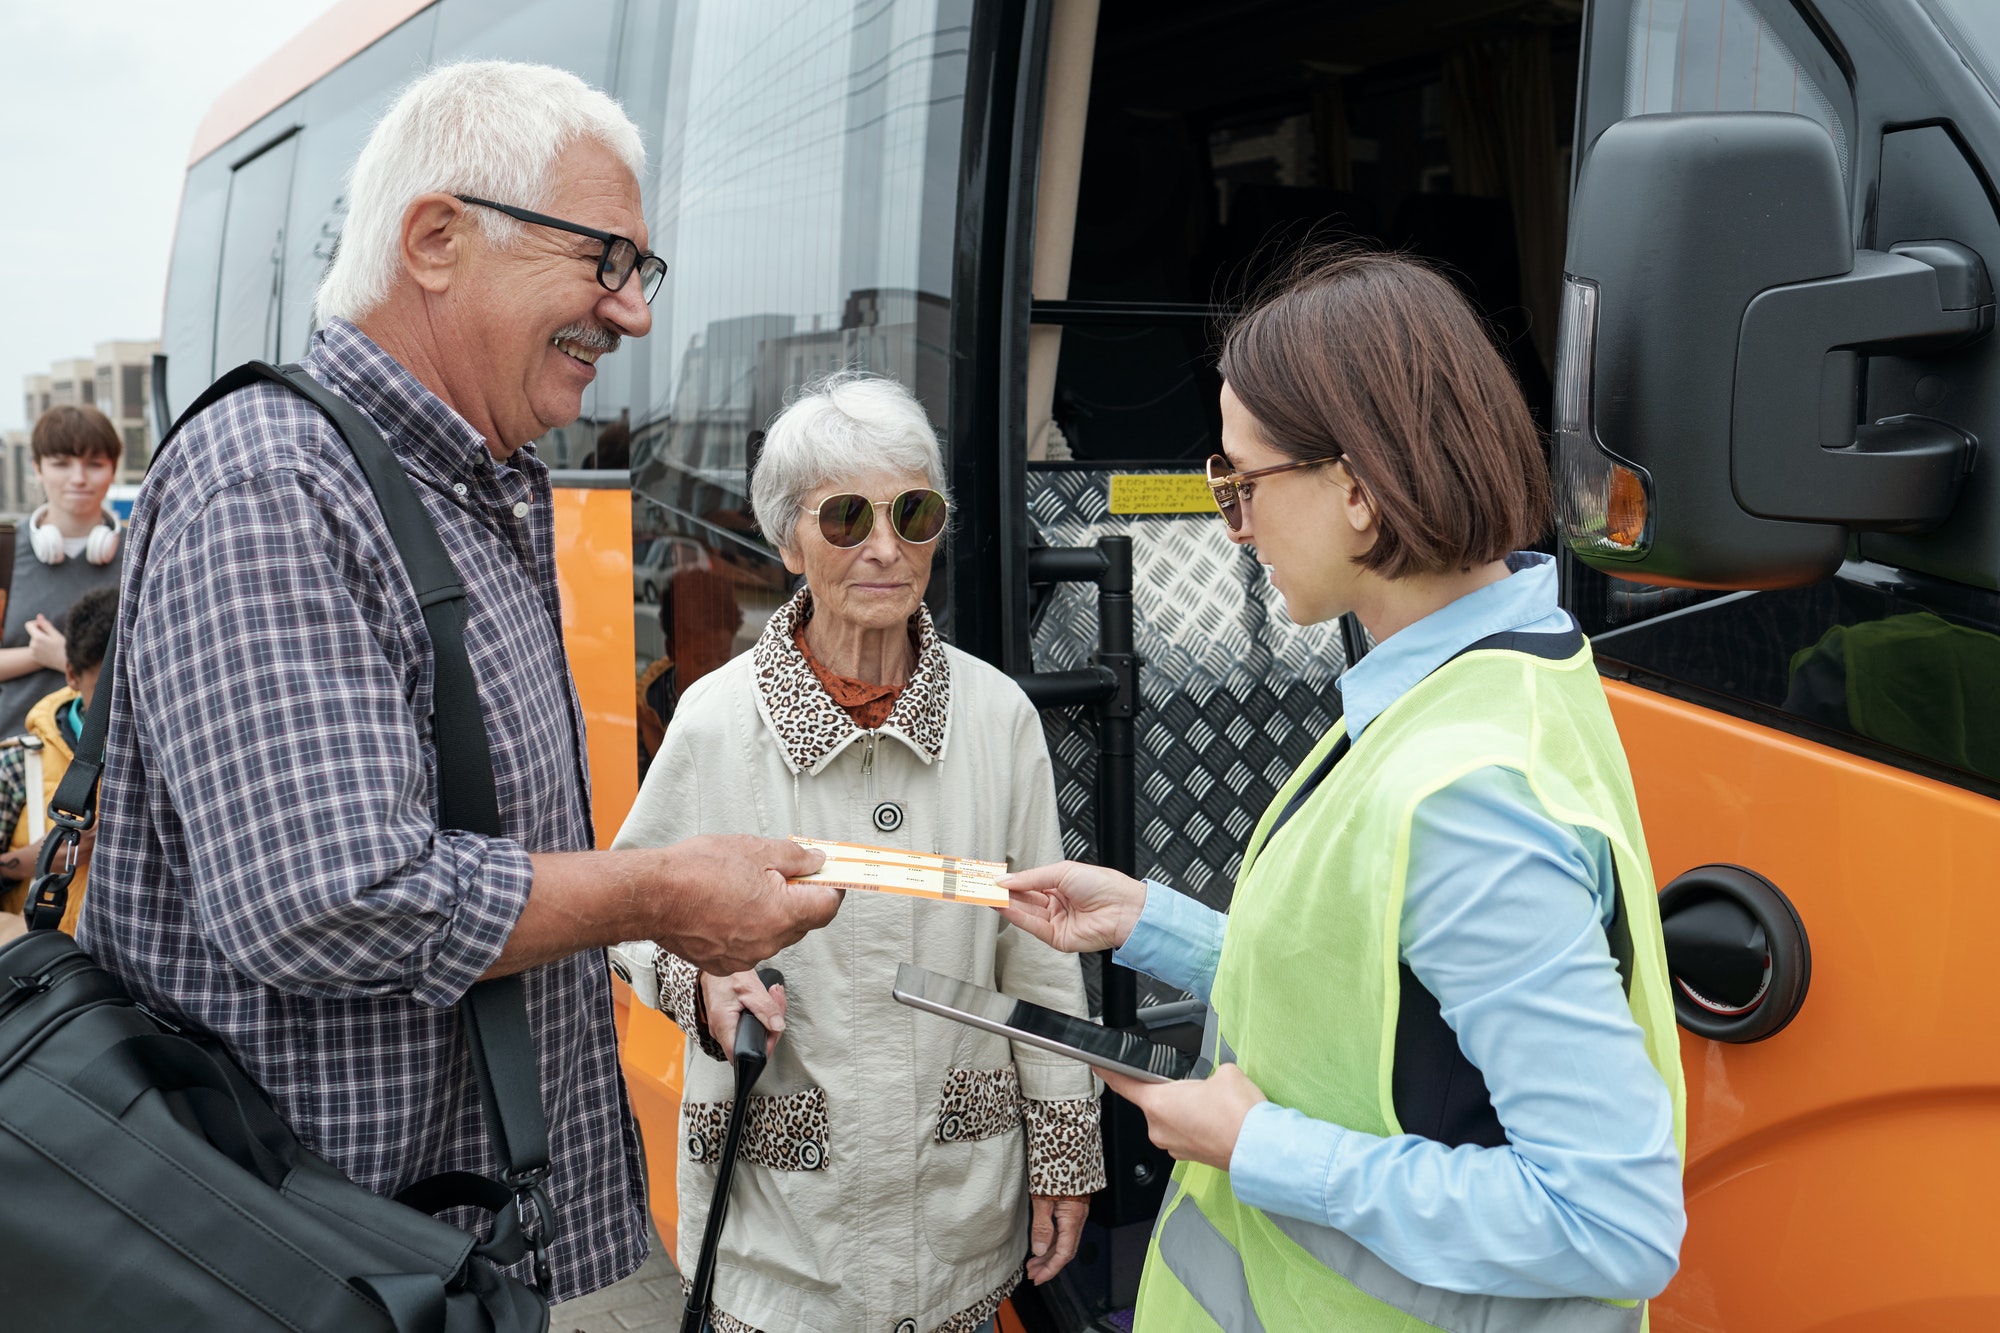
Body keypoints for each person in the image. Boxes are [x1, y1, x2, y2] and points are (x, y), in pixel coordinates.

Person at [77, 60, 841, 1303]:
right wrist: (655, 894)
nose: (632, 315)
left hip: (445, 1255)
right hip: (318, 1264)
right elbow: (328, 899)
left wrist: (667, 929)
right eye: (605, 259)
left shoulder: (470, 481)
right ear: (435, 239)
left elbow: (489, 851)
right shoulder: (280, 483)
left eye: (638, 273)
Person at [1003, 250, 1688, 1330]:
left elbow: (1610, 1219)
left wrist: (1251, 1146)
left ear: (1359, 489)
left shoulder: (1467, 793)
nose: (1233, 525)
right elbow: (1387, 999)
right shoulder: (1502, 671)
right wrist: (1154, 925)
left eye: (1240, 484)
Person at [610, 374, 1106, 1333]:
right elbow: (632, 917)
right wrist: (702, 984)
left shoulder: (998, 715)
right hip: (780, 1241)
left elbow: (1040, 956)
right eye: (845, 518)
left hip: (956, 1223)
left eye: (912, 513)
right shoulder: (717, 719)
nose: (885, 546)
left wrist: (1065, 1155)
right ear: (789, 540)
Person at [0, 404, 125, 736]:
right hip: (16, 759)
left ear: (113, 468)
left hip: (111, 763)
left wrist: (64, 658)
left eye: (94, 464)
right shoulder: (5, 551)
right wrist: (37, 655)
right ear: (37, 468)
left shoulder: (144, 553)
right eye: (61, 464)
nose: (79, 478)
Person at [0, 585, 117, 933]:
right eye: (108, 692)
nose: (123, 709)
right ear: (71, 675)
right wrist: (33, 861)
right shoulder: (17, 763)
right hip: (44, 977)